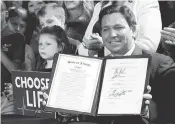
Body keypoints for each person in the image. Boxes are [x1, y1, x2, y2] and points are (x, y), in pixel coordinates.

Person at [95, 4, 175, 123]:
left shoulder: (160, 65)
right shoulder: (97, 68)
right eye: (105, 29)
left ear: (133, 30)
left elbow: (170, 115)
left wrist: (147, 112)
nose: (112, 34)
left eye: (118, 27)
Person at [81, 0, 162, 56]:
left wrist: (106, 44)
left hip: (134, 66)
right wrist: (91, 50)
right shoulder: (99, 6)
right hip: (101, 67)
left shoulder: (145, 2)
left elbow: (148, 46)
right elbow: (83, 47)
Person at [1, 1, 25, 114]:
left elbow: (15, 70)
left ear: (4, 14)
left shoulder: (17, 38)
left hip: (6, 99)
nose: (17, 28)